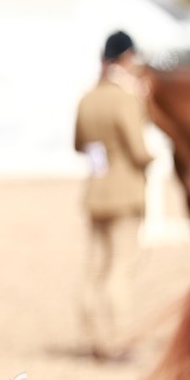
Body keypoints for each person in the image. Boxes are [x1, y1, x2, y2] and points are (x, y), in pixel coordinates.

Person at [73, 30, 152, 362]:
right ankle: (117, 339)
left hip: (96, 191)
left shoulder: (88, 98)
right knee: (121, 268)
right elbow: (138, 149)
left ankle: (94, 338)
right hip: (124, 192)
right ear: (126, 59)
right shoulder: (125, 99)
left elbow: (78, 144)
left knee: (95, 268)